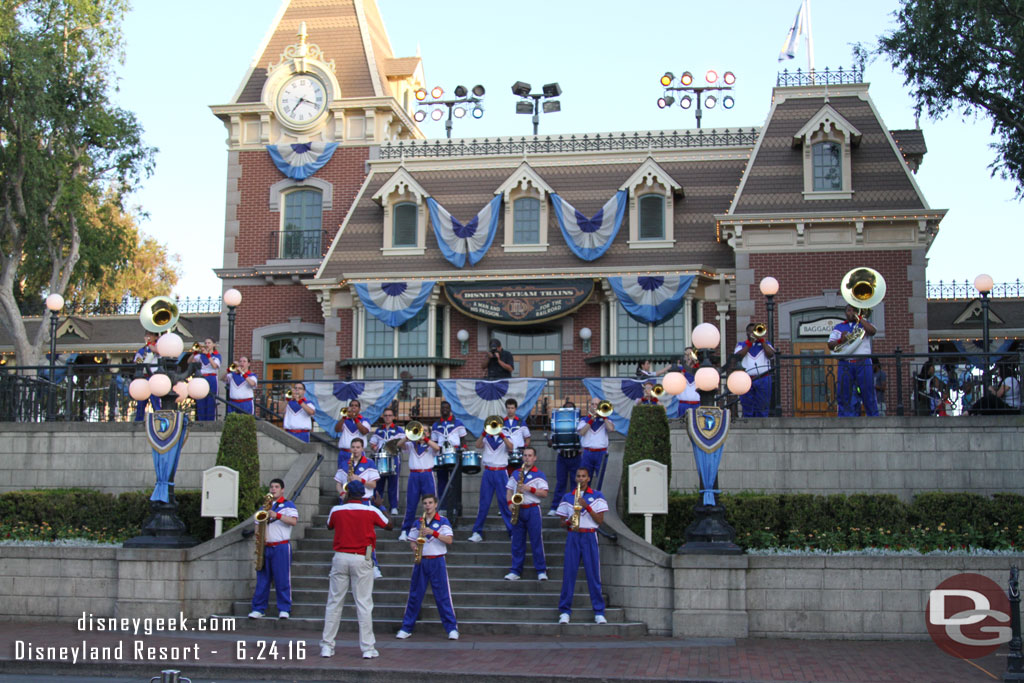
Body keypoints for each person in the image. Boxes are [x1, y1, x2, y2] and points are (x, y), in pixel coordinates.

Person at [320, 480, 392, 660]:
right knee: (364, 604)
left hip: (340, 556)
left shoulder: (337, 510)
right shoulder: (370, 510)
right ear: (363, 495)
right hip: (363, 556)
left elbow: (329, 525)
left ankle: (327, 646)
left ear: (347, 493)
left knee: (334, 603)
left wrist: (343, 502)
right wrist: (381, 507)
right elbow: (389, 525)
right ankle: (367, 648)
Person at [395, 494, 459, 641]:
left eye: (430, 503)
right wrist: (414, 548)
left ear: (435, 504)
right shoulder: (418, 522)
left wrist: (433, 533)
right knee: (415, 595)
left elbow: (449, 540)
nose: (428, 505)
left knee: (443, 596)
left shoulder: (443, 521)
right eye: (425, 503)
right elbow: (412, 541)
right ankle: (406, 628)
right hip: (421, 561)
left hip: (437, 561)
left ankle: (452, 628)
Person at [556, 467, 608, 625]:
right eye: (578, 476)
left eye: (583, 476)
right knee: (569, 573)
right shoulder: (567, 497)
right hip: (573, 535)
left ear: (588, 478)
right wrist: (568, 520)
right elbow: (561, 523)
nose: (580, 479)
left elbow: (600, 520)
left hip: (589, 535)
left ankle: (599, 611)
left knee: (593, 574)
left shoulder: (597, 496)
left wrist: (586, 506)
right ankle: (565, 611)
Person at [248, 478, 298, 619]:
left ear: (282, 489)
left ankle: (284, 608)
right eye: (271, 487)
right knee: (262, 580)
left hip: (281, 546)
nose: (273, 489)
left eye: (276, 487)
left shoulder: (288, 505)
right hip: (265, 547)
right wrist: (258, 536)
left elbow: (293, 521)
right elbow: (257, 525)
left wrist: (277, 515)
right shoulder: (263, 507)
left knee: (282, 579)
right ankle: (258, 608)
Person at [334, 437, 382, 577]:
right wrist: (342, 492)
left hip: (364, 502)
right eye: (353, 447)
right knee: (345, 534)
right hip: (347, 502)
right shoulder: (345, 463)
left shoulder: (369, 463)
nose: (355, 450)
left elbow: (373, 485)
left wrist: (359, 479)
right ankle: (344, 565)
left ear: (362, 449)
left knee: (367, 536)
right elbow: (338, 483)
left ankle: (372, 564)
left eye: (358, 447)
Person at [505, 446, 548, 581]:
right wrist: (510, 504)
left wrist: (529, 488)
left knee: (536, 540)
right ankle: (515, 570)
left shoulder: (540, 474)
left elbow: (544, 493)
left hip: (533, 509)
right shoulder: (516, 473)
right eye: (525, 455)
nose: (527, 458)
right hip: (519, 508)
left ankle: (541, 570)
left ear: (535, 458)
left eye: (530, 456)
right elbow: (509, 491)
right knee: (517, 541)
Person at [827, 305, 878, 417]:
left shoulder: (864, 324)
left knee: (867, 390)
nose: (851, 313)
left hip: (863, 362)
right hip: (846, 363)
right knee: (844, 392)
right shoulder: (839, 327)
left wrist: (860, 318)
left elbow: (872, 331)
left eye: (854, 310)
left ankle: (873, 416)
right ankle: (845, 417)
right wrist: (841, 340)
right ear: (845, 313)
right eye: (849, 310)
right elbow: (830, 345)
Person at [468, 421, 514, 542]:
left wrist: (502, 435)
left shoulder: (506, 436)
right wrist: (484, 433)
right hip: (488, 472)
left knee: (505, 502)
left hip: (501, 472)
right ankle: (477, 531)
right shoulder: (486, 437)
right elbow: (478, 445)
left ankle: (512, 531)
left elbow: (511, 447)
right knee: (484, 502)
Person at [397, 428, 439, 542]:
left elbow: (437, 448)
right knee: (411, 504)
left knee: (430, 504)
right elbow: (399, 444)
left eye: (425, 431)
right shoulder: (411, 445)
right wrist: (408, 436)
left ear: (429, 433)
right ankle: (405, 530)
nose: (423, 432)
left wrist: (425, 438)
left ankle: (431, 530)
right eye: (421, 431)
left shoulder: (430, 445)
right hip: (414, 475)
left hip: (427, 474)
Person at [431, 401, 466, 516]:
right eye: (443, 408)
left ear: (450, 409)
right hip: (441, 455)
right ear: (440, 410)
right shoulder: (436, 425)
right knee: (441, 482)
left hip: (454, 455)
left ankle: (455, 507)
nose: (444, 409)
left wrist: (463, 451)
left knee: (455, 483)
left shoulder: (458, 423)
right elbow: (434, 442)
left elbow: (463, 441)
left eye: (447, 407)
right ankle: (442, 507)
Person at [733, 323, 775, 418]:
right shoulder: (741, 344)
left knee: (763, 404)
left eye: (756, 331)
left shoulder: (766, 344)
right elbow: (738, 356)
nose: (754, 333)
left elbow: (771, 354)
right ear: (747, 333)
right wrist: (750, 343)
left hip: (763, 378)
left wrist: (763, 341)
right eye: (752, 331)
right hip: (746, 379)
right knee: (747, 404)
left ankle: (763, 424)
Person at [548, 400, 581, 518]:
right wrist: (552, 440)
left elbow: (582, 439)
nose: (568, 411)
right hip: (562, 457)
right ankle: (555, 507)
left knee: (575, 483)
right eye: (566, 408)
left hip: (575, 456)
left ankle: (572, 508)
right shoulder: (558, 424)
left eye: (570, 409)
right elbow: (551, 442)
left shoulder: (578, 423)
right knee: (561, 483)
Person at [370, 408, 403, 515]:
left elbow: (403, 443)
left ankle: (394, 506)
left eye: (390, 415)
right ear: (383, 417)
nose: (388, 417)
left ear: (393, 417)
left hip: (394, 458)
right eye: (386, 415)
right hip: (381, 459)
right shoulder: (379, 430)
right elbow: (372, 444)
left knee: (393, 483)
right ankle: (377, 505)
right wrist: (375, 447)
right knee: (379, 483)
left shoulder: (399, 430)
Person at [577, 397, 615, 490]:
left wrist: (604, 416)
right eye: (592, 404)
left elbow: (611, 429)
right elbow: (582, 432)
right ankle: (585, 499)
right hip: (587, 453)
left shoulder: (607, 420)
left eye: (597, 405)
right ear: (589, 407)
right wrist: (592, 419)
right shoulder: (584, 420)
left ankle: (599, 500)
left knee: (601, 478)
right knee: (584, 479)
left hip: (601, 453)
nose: (594, 406)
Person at [334, 399, 371, 470]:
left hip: (358, 454)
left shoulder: (364, 420)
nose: (353, 407)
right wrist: (344, 417)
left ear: (359, 409)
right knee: (342, 475)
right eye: (351, 406)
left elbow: (364, 431)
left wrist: (355, 418)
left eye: (356, 406)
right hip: (344, 453)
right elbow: (337, 429)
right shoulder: (345, 420)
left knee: (358, 474)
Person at [132, 331, 160, 421]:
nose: (148, 336)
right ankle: (138, 420)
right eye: (146, 335)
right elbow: (137, 361)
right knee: (141, 401)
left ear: (156, 337)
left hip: (154, 378)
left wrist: (150, 345)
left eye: (150, 335)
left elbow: (157, 351)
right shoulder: (142, 349)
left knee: (155, 401)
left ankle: (159, 420)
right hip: (144, 378)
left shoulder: (158, 347)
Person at [192, 338, 221, 421]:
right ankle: (201, 421)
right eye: (205, 343)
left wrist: (208, 355)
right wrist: (194, 352)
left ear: (213, 345)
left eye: (209, 343)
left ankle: (210, 422)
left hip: (211, 378)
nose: (207, 344)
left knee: (211, 401)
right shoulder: (200, 356)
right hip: (201, 378)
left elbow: (215, 366)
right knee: (200, 400)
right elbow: (190, 362)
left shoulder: (216, 355)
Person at [503, 397, 531, 474]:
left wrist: (524, 448)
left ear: (515, 409)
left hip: (519, 455)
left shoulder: (521, 422)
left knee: (519, 478)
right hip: (505, 454)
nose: (510, 410)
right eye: (508, 408)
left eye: (512, 408)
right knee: (507, 478)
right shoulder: (501, 422)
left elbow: (527, 438)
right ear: (506, 408)